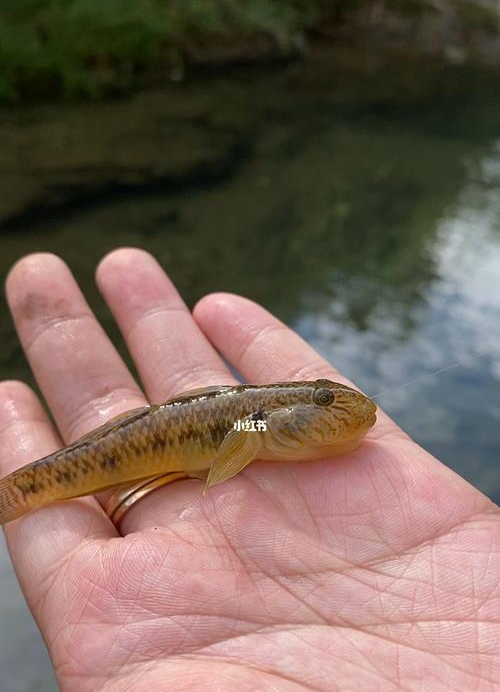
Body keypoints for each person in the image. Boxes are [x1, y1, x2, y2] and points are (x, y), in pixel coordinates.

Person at [0, 248, 498, 692]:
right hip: (121, 454)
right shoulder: (254, 417)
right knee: (49, 480)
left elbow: (245, 426)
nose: (338, 407)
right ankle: (20, 493)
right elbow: (244, 427)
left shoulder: (254, 416)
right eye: (324, 400)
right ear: (288, 412)